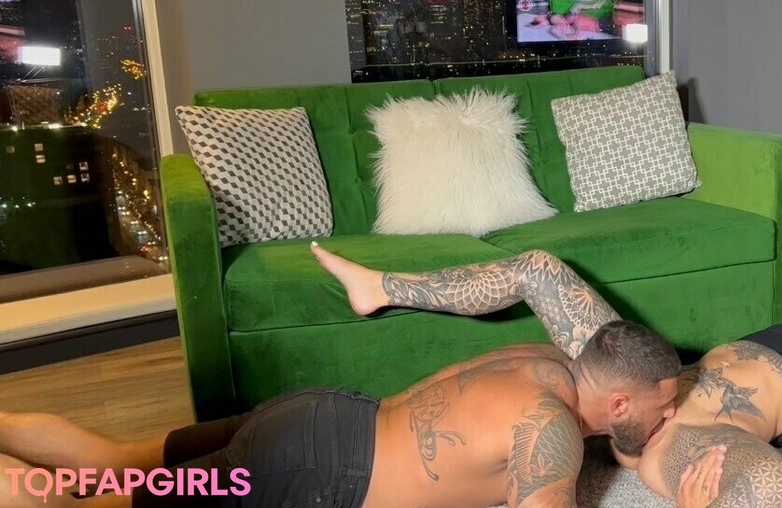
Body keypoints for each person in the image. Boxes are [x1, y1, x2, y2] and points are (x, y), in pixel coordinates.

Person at [309, 246, 782, 507]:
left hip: (688, 435)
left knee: (775, 487)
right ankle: (378, 286)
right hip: (645, 383)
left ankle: (677, 492)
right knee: (540, 268)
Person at [0, 245, 730, 508]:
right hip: (306, 474)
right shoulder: (552, 435)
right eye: (664, 408)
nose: (670, 418)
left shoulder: (549, 358)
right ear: (619, 400)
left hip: (314, 418)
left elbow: (535, 273)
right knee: (90, 506)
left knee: (117, 461)